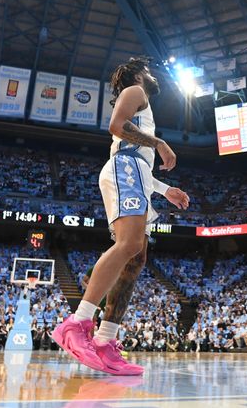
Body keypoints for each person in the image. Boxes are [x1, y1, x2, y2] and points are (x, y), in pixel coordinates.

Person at [51, 58, 190, 375]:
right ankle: (77, 322)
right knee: (128, 245)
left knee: (135, 259)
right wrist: (160, 142)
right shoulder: (135, 89)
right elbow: (117, 127)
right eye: (148, 71)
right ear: (136, 74)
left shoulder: (143, 105)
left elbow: (137, 154)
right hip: (125, 169)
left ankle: (105, 340)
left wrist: (164, 189)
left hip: (137, 172)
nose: (153, 76)